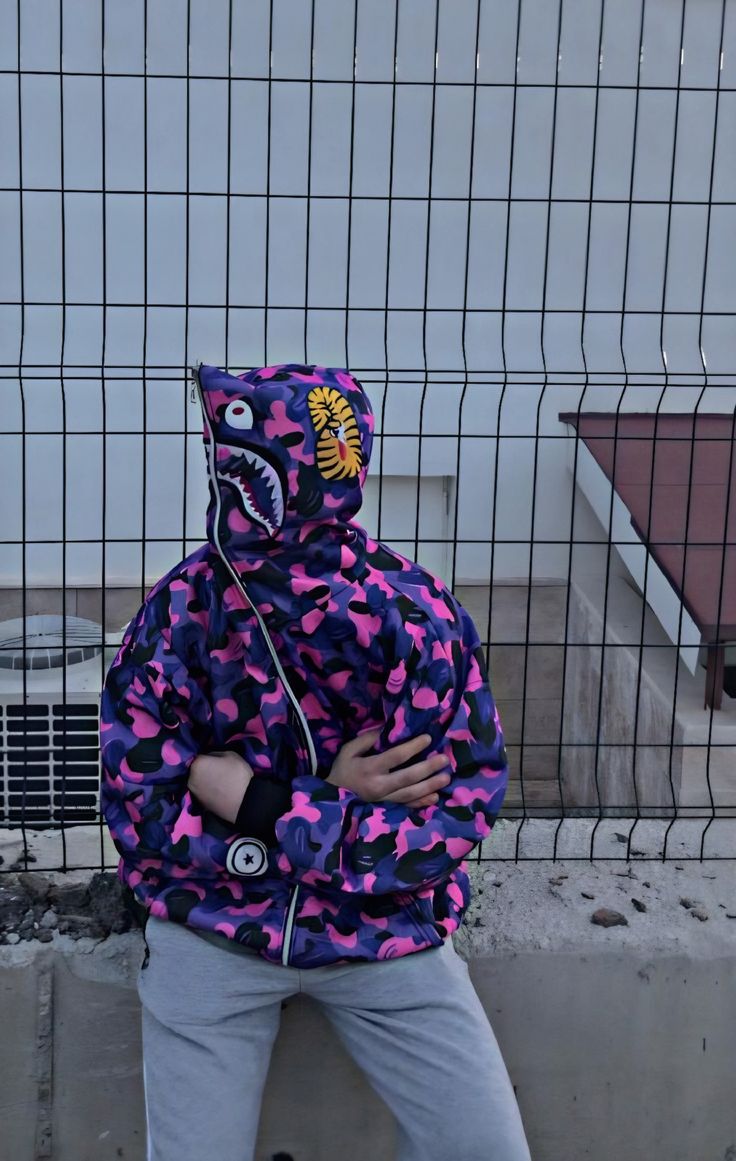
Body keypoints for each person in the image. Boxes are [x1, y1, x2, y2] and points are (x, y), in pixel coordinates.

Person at [99, 362, 532, 1161]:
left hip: (384, 937)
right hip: (210, 933)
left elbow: (448, 816)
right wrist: (328, 806)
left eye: (250, 464)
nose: (228, 485)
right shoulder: (181, 615)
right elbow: (137, 801)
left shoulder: (411, 620)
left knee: (485, 1151)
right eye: (222, 459)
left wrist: (255, 800)